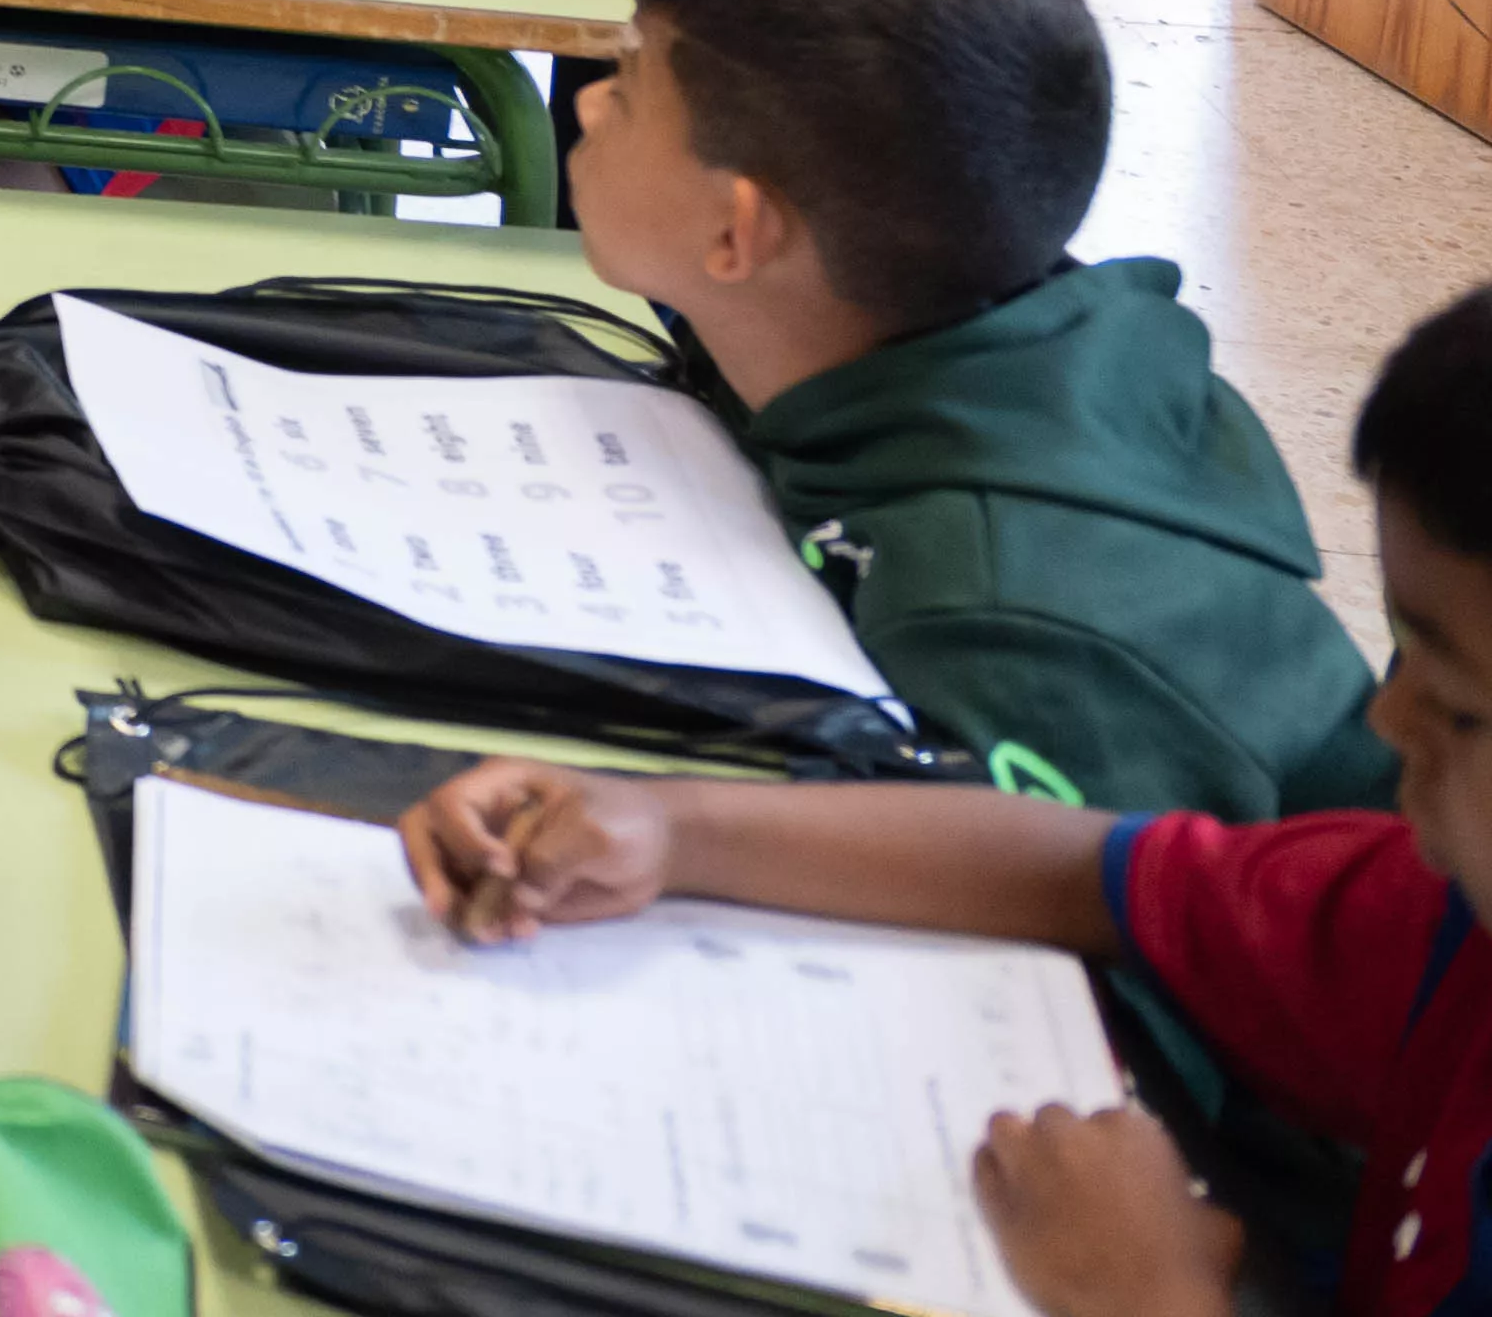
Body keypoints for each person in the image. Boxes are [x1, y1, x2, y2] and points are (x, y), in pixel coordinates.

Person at [392, 283, 1492, 1317]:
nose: (1389, 721)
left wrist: (1152, 1292)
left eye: (1453, 699)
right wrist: (670, 826)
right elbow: (1086, 872)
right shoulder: (1440, 917)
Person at [568, 0, 1381, 821]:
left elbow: (1067, 940)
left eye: (625, 89)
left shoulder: (1006, 623)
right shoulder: (899, 329)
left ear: (735, 236)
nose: (587, 106)